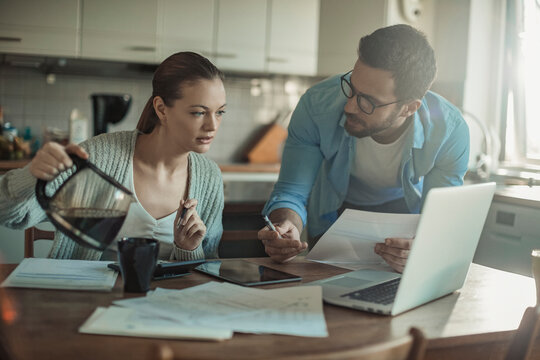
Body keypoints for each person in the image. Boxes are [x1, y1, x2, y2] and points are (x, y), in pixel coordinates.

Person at [258, 24, 470, 272]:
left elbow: (440, 219)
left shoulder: (450, 132)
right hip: (333, 211)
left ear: (409, 108)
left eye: (368, 101)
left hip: (402, 216)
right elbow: (292, 190)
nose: (349, 106)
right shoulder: (316, 105)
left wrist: (423, 248)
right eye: (352, 88)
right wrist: (285, 226)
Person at [0, 52, 226, 261]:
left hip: (170, 302)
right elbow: (7, 214)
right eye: (199, 112)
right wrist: (32, 176)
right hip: (88, 299)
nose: (213, 125)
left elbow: (208, 267)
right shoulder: (98, 157)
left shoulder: (209, 176)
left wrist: (189, 249)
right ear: (162, 109)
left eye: (220, 112)